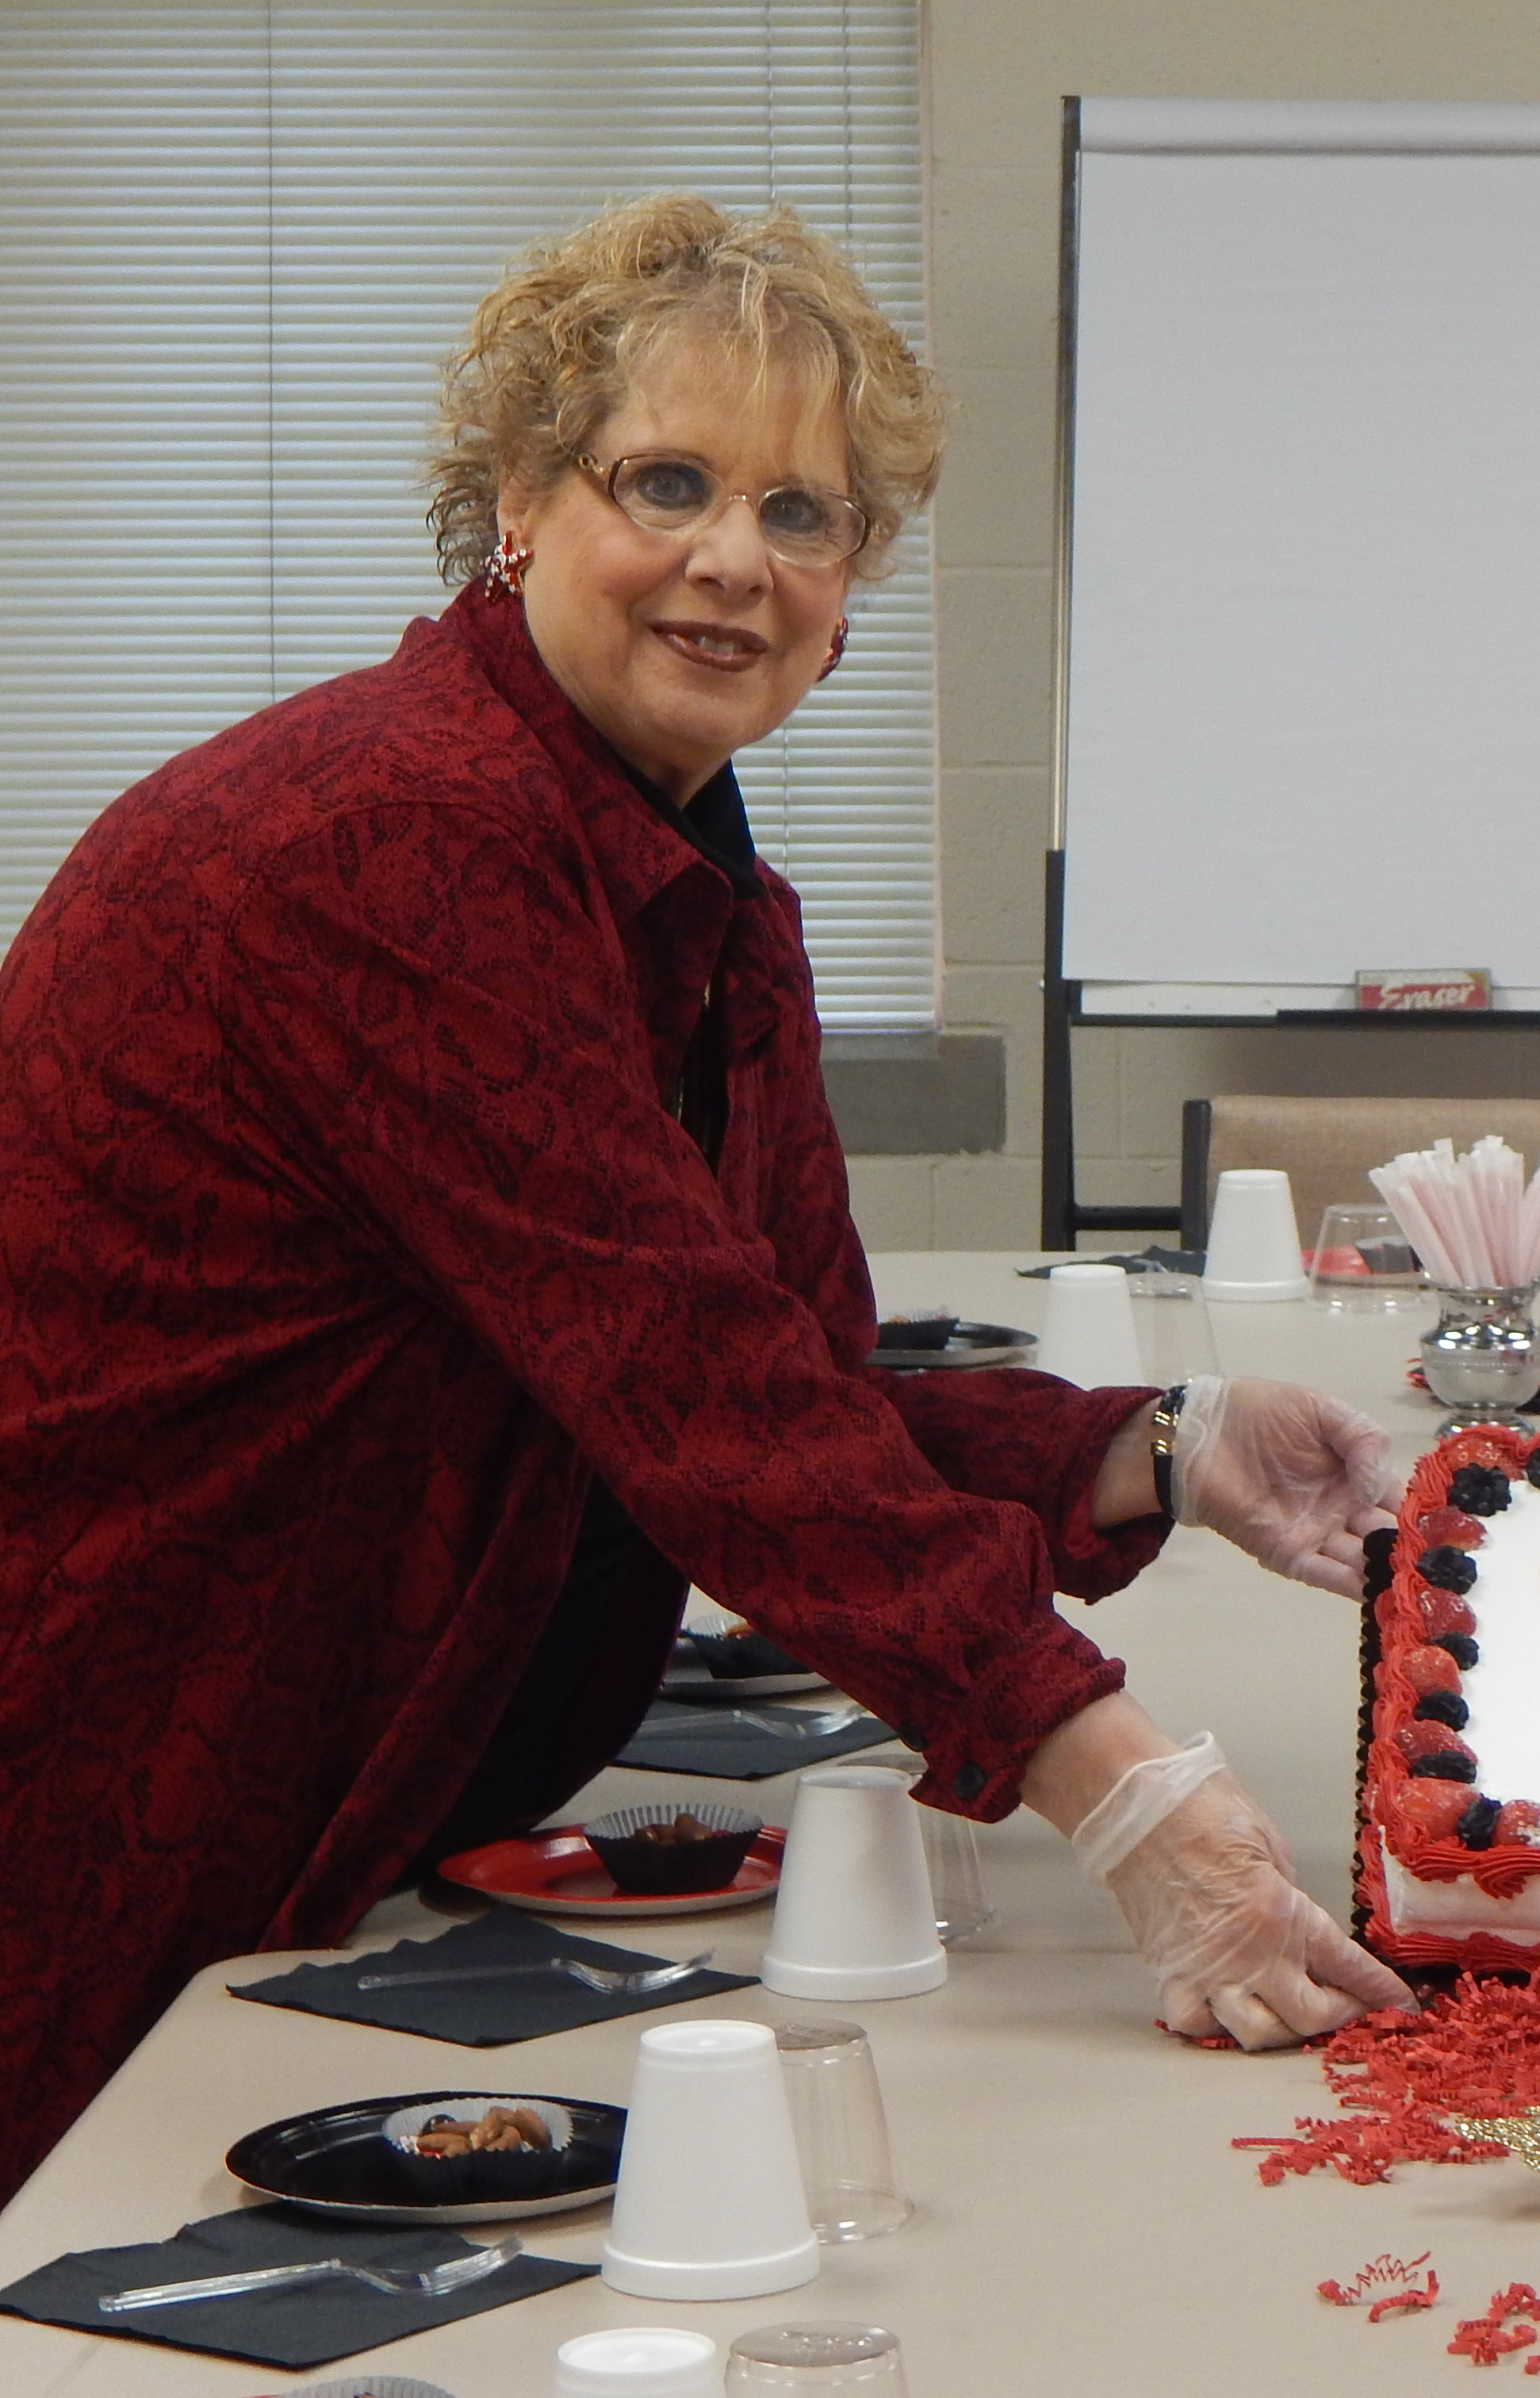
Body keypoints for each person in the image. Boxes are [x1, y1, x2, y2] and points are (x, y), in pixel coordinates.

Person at [0, 197, 1409, 2197]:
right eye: (666, 483)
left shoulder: (708, 895)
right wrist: (1110, 1779)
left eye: (802, 514)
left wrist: (1159, 1450)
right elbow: (693, 1392)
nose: (735, 559)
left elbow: (786, 1381)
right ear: (519, 504)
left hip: (348, 1757)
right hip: (116, 1751)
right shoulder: (392, 837)